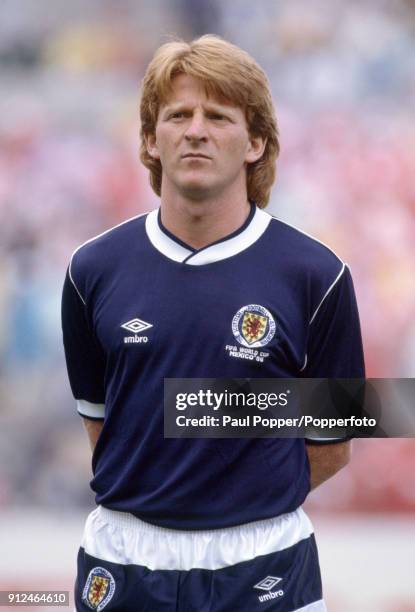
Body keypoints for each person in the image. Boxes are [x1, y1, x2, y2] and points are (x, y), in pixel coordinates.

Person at [62, 35, 365, 612]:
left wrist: (239, 500)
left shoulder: (318, 275)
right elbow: (105, 426)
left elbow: (332, 442)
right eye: (178, 115)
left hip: (266, 561)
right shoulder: (91, 269)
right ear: (152, 139)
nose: (195, 130)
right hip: (125, 561)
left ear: (255, 143)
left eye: (218, 116)